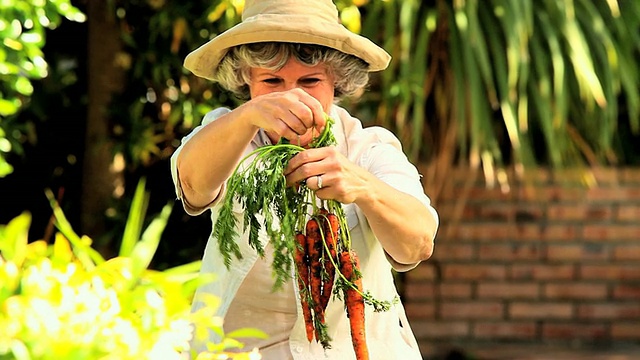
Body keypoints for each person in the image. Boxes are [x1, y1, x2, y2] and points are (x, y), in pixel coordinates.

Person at [170, 0, 439, 359]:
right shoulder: (229, 136)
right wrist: (250, 115)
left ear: (336, 82)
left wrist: (364, 188)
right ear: (247, 80)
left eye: (310, 81)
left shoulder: (369, 147)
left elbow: (418, 242)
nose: (292, 96)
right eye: (272, 81)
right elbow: (192, 183)